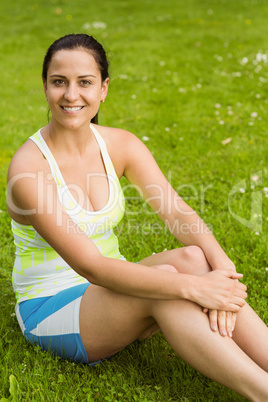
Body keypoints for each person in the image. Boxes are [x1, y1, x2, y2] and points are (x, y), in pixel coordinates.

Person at [6, 33, 268, 401]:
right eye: (58, 82)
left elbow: (177, 211)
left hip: (107, 290)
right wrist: (195, 288)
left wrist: (220, 270)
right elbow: (92, 267)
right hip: (51, 305)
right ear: (45, 86)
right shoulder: (29, 170)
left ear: (103, 89)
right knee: (166, 288)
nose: (70, 95)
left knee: (195, 258)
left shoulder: (120, 145)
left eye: (85, 82)